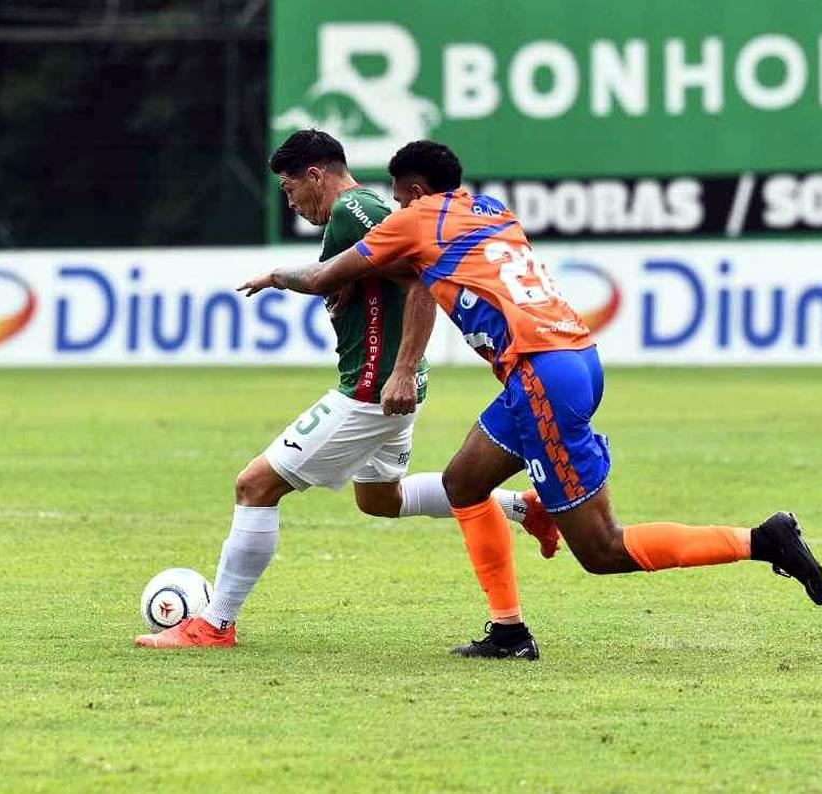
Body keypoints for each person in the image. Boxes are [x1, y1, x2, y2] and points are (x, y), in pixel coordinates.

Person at [239, 140, 822, 660]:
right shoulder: (492, 209)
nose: (397, 207)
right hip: (574, 359)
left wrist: (275, 276)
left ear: (414, 192)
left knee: (601, 549)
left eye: (400, 197)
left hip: (541, 376)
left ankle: (760, 540)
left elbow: (322, 277)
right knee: (463, 483)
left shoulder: (415, 219)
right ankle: (508, 631)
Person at [136, 131, 560, 651]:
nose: (291, 202)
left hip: (372, 390)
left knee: (255, 486)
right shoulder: (359, 215)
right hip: (389, 388)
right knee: (381, 499)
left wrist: (401, 369)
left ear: (316, 175)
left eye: (290, 189)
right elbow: (360, 273)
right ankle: (525, 507)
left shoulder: (353, 210)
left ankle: (214, 624)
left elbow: (423, 277)